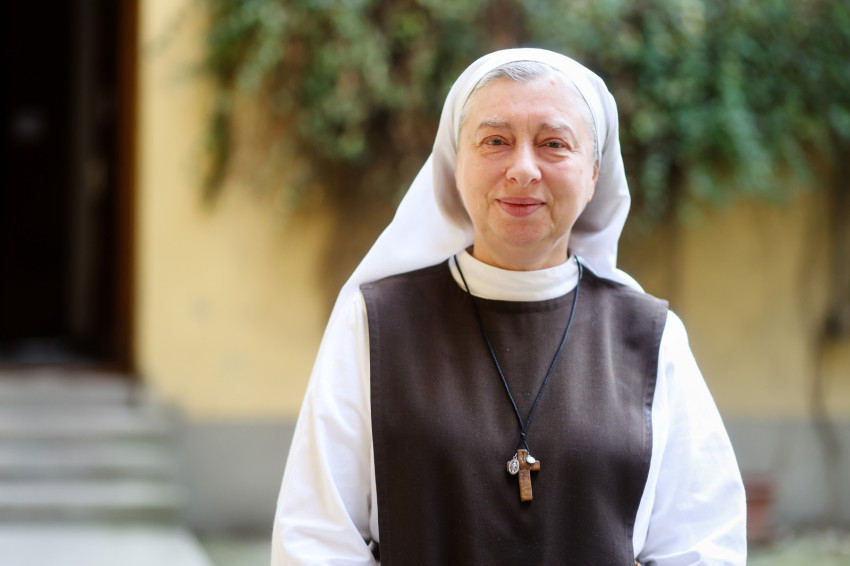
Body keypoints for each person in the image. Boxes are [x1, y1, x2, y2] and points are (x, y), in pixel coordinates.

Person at [272, 48, 746, 565]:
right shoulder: (373, 324)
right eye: (495, 141)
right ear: (455, 166)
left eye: (553, 144)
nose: (522, 169)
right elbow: (316, 541)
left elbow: (702, 543)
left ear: (594, 173)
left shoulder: (650, 337)